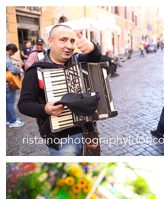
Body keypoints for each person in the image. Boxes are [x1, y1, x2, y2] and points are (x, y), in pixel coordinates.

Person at [18, 25, 103, 155]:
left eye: (72, 41)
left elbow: (95, 58)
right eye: (63, 40)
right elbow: (23, 105)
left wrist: (92, 47)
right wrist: (44, 109)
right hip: (61, 139)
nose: (69, 46)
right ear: (50, 41)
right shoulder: (36, 71)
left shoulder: (78, 61)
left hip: (88, 131)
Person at [6, 44, 24, 128]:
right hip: (7, 84)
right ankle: (13, 121)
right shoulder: (5, 57)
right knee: (10, 103)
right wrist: (19, 70)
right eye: (13, 53)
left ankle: (9, 120)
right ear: (10, 51)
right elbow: (12, 69)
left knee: (6, 103)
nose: (13, 55)